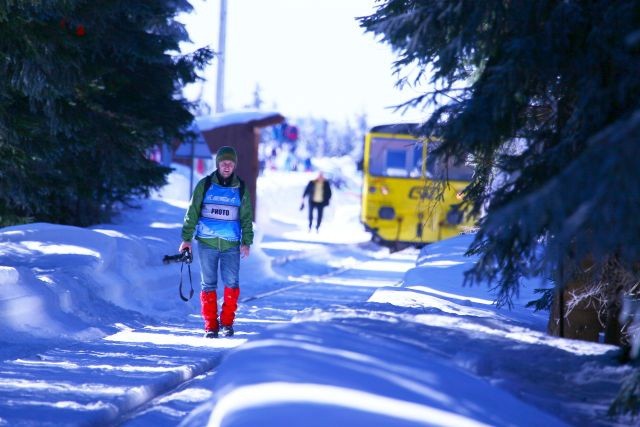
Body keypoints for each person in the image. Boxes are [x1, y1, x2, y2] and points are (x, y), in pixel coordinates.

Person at [179, 146, 253, 338]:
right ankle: (211, 326)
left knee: (232, 283)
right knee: (208, 284)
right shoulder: (204, 185)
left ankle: (227, 323)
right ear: (218, 164)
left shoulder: (241, 188)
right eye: (223, 162)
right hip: (207, 244)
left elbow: (246, 217)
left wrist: (246, 241)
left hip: (231, 245)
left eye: (230, 162)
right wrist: (186, 239)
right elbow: (192, 213)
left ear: (234, 165)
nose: (227, 166)